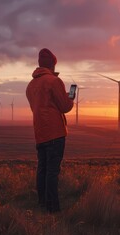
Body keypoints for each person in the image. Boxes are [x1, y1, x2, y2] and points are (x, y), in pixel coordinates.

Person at [26, 48, 74, 213]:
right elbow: (64, 106)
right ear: (53, 64)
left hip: (39, 132)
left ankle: (42, 204)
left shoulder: (31, 85)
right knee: (52, 172)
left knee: (42, 170)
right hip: (55, 132)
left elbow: (40, 106)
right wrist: (70, 98)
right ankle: (53, 208)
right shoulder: (54, 81)